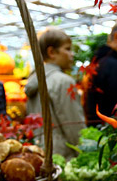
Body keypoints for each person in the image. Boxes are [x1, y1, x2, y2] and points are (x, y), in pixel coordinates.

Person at [24, 28, 85, 160]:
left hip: (39, 151)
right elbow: (72, 123)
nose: (72, 54)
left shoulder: (34, 80)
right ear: (51, 52)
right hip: (63, 155)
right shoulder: (63, 82)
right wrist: (84, 151)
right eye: (67, 49)